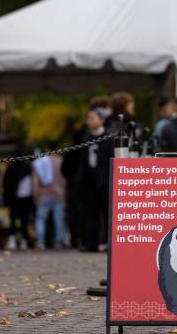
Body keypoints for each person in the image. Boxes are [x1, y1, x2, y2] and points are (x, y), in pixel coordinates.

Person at [76, 107, 113, 251]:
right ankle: (91, 243)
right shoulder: (86, 138)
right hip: (89, 181)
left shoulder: (109, 138)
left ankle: (110, 244)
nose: (89, 121)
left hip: (104, 180)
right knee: (90, 214)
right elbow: (82, 162)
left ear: (102, 120)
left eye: (93, 118)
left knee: (107, 213)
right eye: (88, 118)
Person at [32, 141, 66, 249]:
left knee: (41, 218)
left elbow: (35, 181)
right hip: (59, 194)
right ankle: (58, 242)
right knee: (59, 218)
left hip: (44, 194)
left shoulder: (40, 162)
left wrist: (35, 194)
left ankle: (40, 241)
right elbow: (65, 179)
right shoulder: (61, 161)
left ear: (46, 148)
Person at [3, 148, 34, 250]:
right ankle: (24, 241)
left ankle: (12, 240)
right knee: (24, 220)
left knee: (13, 220)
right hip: (25, 199)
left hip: (13, 199)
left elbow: (6, 185)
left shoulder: (10, 168)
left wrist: (6, 199)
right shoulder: (27, 168)